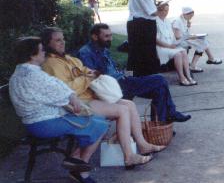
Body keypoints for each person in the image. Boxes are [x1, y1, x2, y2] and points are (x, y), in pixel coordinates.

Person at [41, 27, 160, 169]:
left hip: (93, 94)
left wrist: (92, 73)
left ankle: (143, 145)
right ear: (47, 44)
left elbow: (85, 70)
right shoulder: (51, 64)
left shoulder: (68, 58)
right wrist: (87, 78)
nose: (63, 42)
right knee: (122, 110)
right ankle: (129, 157)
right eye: (58, 40)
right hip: (77, 103)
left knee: (129, 105)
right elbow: (66, 90)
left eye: (63, 39)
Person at [9, 37, 109, 183]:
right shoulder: (33, 75)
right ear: (32, 55)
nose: (44, 52)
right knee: (101, 125)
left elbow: (56, 87)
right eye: (42, 50)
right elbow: (59, 91)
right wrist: (73, 99)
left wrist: (71, 97)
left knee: (99, 120)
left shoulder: (21, 72)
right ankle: (80, 166)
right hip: (44, 124)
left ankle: (76, 161)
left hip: (38, 121)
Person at [78, 24, 191, 123]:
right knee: (159, 79)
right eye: (106, 36)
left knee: (159, 88)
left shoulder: (103, 49)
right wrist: (123, 77)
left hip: (122, 80)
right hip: (114, 86)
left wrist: (133, 73)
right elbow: (93, 76)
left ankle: (160, 123)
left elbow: (116, 70)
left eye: (111, 35)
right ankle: (170, 113)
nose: (110, 39)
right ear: (94, 37)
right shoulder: (86, 53)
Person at [127, 0, 161, 77]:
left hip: (139, 23)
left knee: (137, 55)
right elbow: (152, 12)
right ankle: (134, 79)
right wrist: (160, 8)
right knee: (143, 55)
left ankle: (134, 78)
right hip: (142, 25)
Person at [155, 4, 197, 86]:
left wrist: (175, 43)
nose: (166, 12)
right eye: (164, 10)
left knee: (183, 51)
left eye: (167, 10)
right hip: (161, 48)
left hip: (170, 46)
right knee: (178, 54)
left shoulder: (167, 21)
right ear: (159, 11)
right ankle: (181, 78)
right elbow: (155, 40)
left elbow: (173, 36)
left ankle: (188, 76)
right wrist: (169, 46)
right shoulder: (155, 22)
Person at [171, 6, 222, 72]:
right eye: (190, 16)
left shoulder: (184, 20)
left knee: (202, 40)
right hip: (177, 42)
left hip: (183, 39)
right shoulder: (177, 21)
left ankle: (208, 59)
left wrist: (188, 27)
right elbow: (177, 36)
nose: (191, 18)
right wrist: (190, 37)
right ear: (186, 14)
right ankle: (206, 60)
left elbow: (185, 33)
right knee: (202, 42)